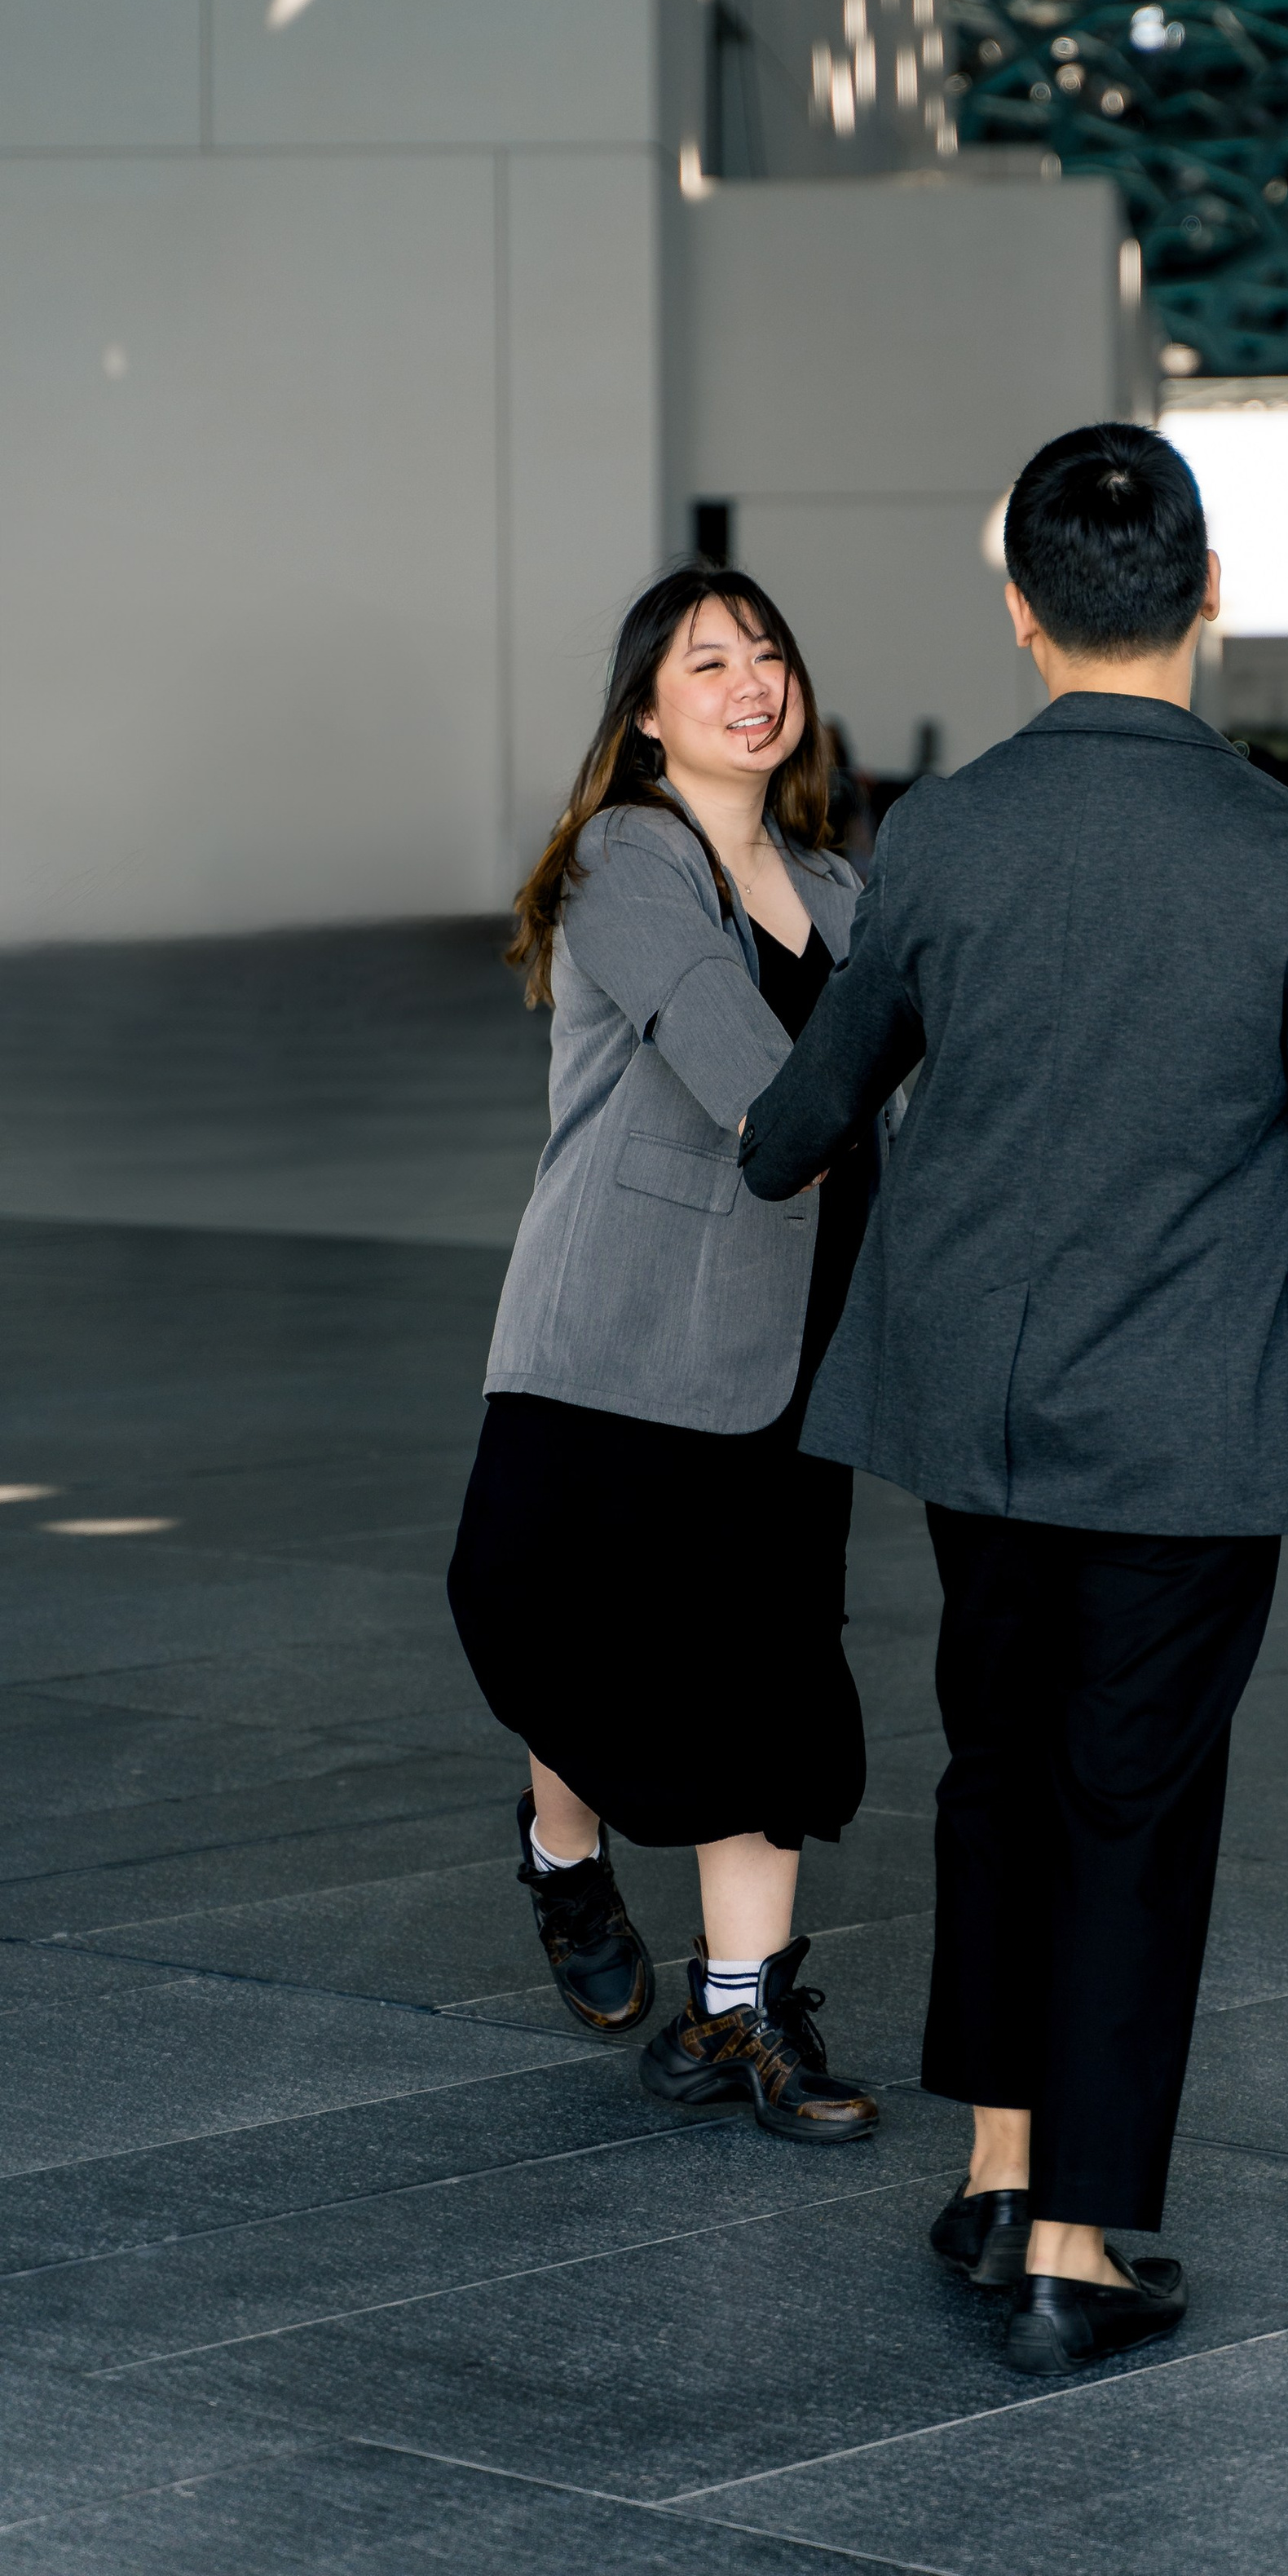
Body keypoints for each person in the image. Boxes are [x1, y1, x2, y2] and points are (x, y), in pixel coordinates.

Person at [739, 422, 1288, 2365]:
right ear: (1207, 598)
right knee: (1127, 1801)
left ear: (1019, 612)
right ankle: (1073, 2247)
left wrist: (766, 1138)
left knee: (998, 1769)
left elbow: (817, 1101)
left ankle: (991, 2171)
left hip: (976, 1414)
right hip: (1193, 1422)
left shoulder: (946, 835)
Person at [448, 564, 887, 2145]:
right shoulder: (625, 863)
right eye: (708, 663)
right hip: (613, 1336)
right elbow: (756, 1082)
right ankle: (563, 1849)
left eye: (769, 653)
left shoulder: (844, 893)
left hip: (788, 1351)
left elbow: (925, 1094)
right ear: (645, 713)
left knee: (761, 1663)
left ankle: (740, 2015)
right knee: (552, 1612)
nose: (751, 681)